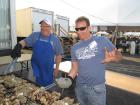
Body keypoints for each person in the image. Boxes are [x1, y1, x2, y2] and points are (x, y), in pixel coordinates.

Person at [56, 16, 122, 105]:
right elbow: (74, 69)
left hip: (96, 88)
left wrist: (115, 57)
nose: (79, 31)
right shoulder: (74, 48)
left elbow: (119, 56)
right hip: (80, 87)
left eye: (82, 28)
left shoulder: (102, 40)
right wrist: (69, 79)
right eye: (77, 29)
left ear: (89, 28)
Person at [11, 19, 63, 87]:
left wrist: (56, 69)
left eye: (46, 26)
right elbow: (25, 41)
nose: (43, 28)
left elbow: (59, 55)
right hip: (35, 67)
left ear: (50, 27)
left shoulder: (55, 39)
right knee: (32, 87)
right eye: (41, 26)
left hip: (47, 69)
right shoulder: (35, 35)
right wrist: (18, 46)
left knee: (46, 90)